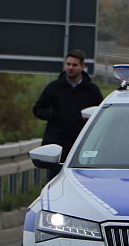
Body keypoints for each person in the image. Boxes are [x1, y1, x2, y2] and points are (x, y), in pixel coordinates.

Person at [33, 50, 104, 179]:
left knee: (82, 180)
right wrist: (52, 114)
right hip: (57, 145)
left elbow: (101, 115)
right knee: (55, 181)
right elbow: (38, 109)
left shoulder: (91, 90)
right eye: (68, 64)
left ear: (82, 67)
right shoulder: (54, 87)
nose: (70, 68)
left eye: (74, 65)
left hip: (82, 145)